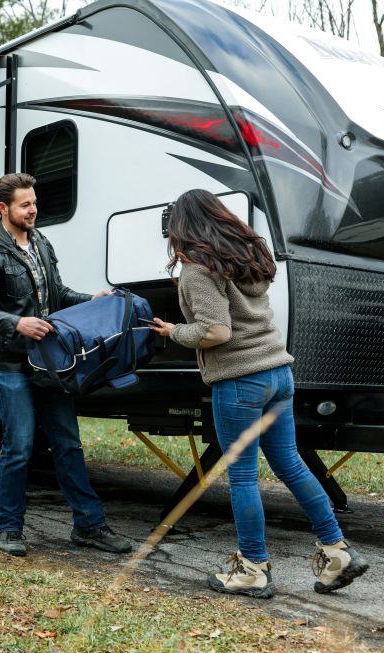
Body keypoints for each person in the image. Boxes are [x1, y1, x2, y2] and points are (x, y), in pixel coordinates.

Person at [149, 189, 367, 598]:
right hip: (278, 373)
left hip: (240, 380)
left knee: (243, 476)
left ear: (182, 226)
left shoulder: (199, 269)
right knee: (291, 465)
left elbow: (216, 331)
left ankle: (252, 568)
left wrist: (173, 331)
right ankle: (336, 551)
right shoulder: (247, 257)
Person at [0, 172, 132, 557]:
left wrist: (93, 298)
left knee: (68, 443)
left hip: (50, 363)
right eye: (25, 204)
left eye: (34, 202)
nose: (33, 209)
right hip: (10, 363)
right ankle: (9, 528)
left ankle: (89, 526)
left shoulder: (41, 243)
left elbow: (57, 294)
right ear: (4, 209)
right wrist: (15, 322)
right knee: (19, 447)